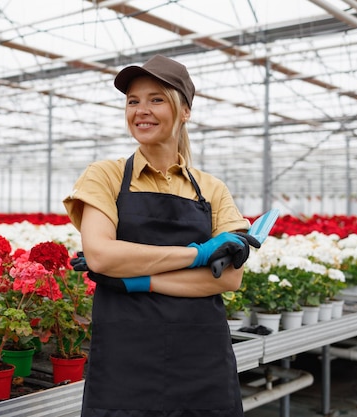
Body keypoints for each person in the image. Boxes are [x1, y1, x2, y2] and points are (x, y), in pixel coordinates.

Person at [62, 54, 259, 417]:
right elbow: (103, 256)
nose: (141, 110)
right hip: (125, 361)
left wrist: (138, 280)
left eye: (156, 99)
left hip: (202, 359)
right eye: (132, 101)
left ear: (184, 111)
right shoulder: (104, 176)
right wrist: (199, 255)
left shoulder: (213, 189)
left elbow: (230, 278)